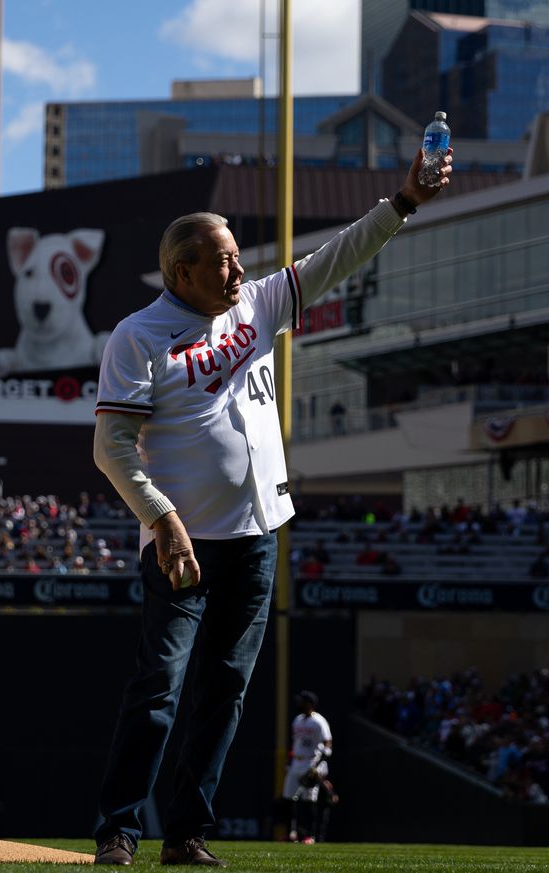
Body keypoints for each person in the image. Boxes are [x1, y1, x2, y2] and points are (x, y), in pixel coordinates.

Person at [90, 148, 454, 867]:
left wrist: (403, 202)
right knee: (160, 685)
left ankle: (186, 833)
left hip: (258, 535)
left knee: (224, 690)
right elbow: (112, 447)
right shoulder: (138, 336)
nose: (236, 270)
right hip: (182, 544)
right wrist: (162, 517)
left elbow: (336, 257)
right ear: (180, 273)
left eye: (234, 258)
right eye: (220, 261)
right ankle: (118, 830)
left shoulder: (254, 304)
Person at [282, 690, 333, 844]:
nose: (299, 703)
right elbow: (295, 743)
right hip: (296, 762)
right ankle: (291, 833)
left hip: (311, 762)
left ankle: (310, 835)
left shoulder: (319, 721)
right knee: (288, 797)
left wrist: (318, 766)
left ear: (310, 704)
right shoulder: (297, 720)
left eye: (302, 701)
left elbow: (328, 742)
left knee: (309, 800)